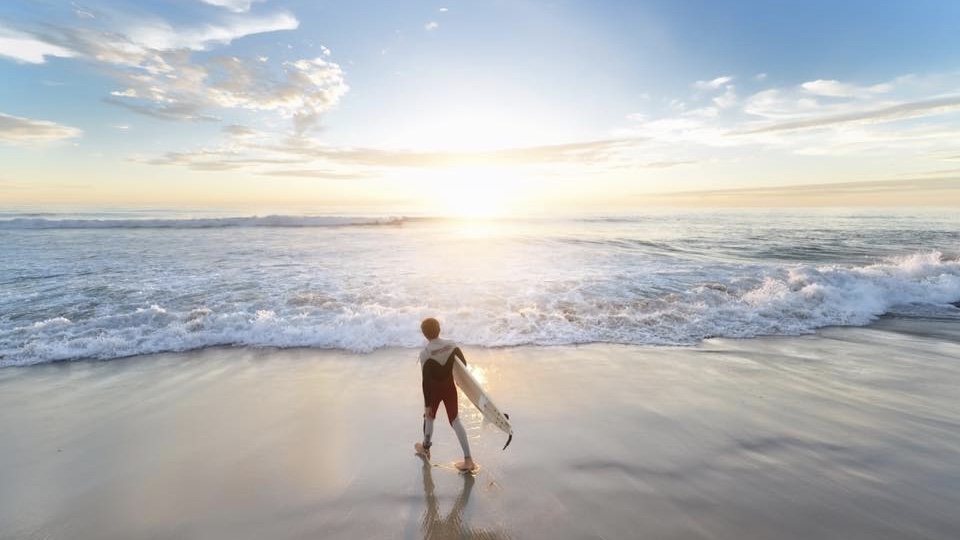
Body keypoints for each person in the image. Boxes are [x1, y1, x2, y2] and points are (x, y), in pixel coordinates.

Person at [414, 317, 476, 472]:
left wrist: (428, 404)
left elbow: (426, 381)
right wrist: (459, 381)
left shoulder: (425, 353)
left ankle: (426, 448)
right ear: (439, 329)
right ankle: (468, 459)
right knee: (455, 421)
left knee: (429, 417)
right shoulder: (452, 345)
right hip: (449, 387)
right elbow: (463, 365)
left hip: (434, 391)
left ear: (424, 334)